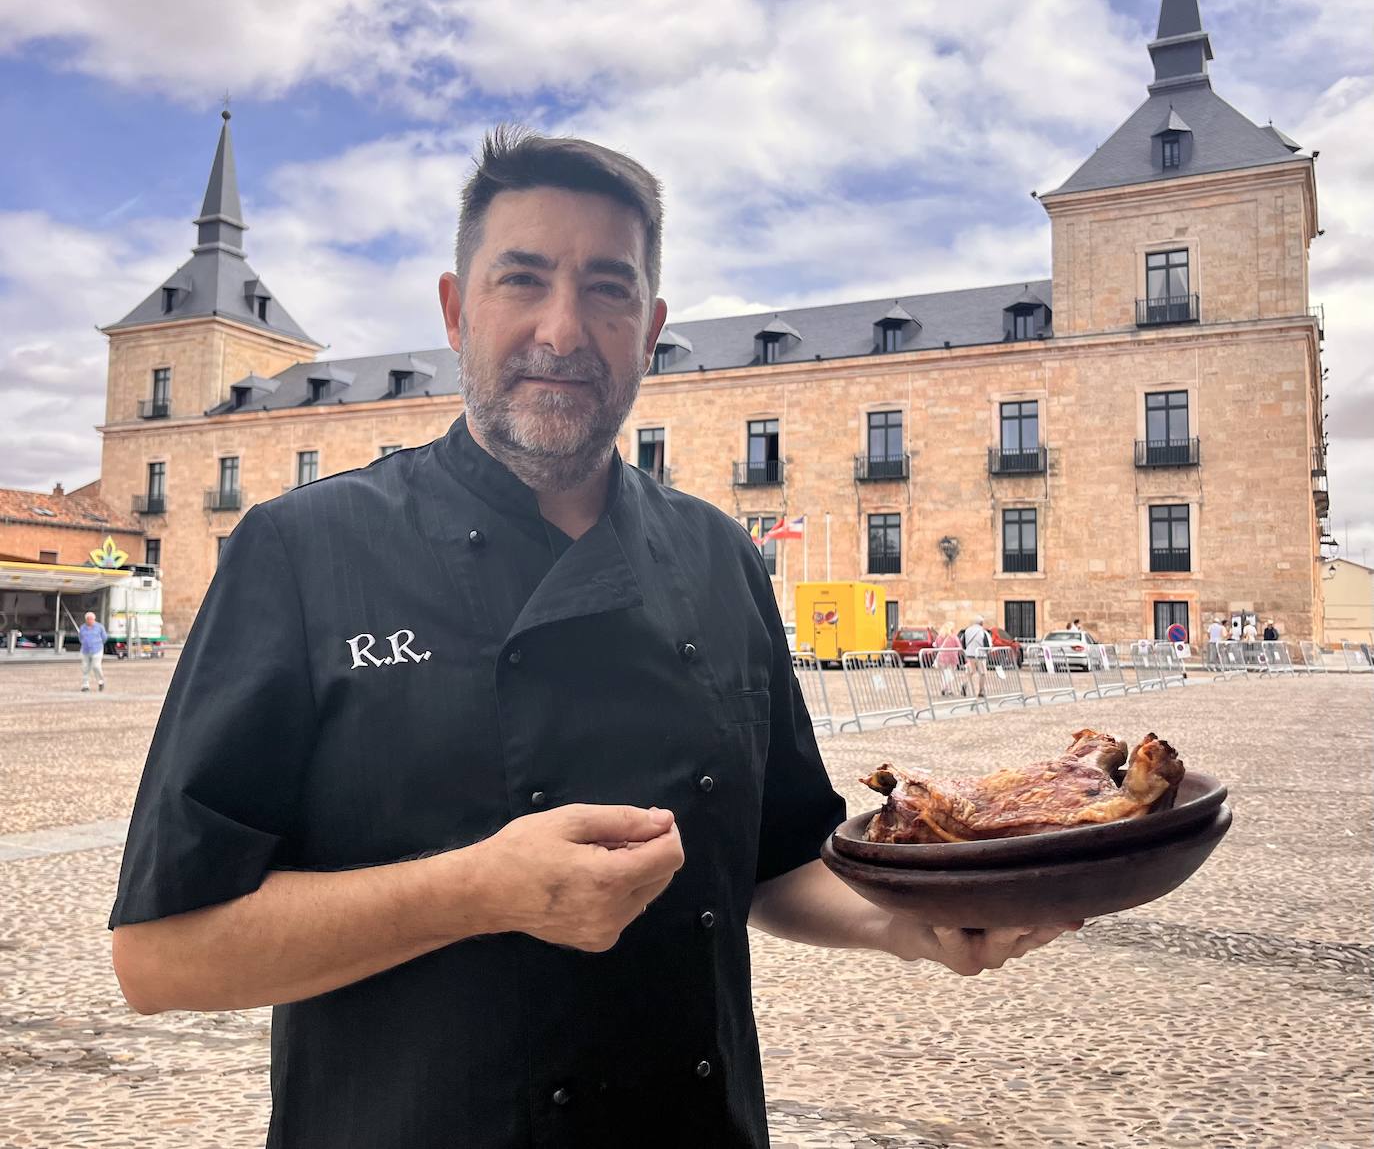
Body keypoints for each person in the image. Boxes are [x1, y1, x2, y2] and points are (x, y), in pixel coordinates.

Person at [108, 129, 1075, 1149]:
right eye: (522, 279)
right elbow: (162, 954)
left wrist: (918, 923)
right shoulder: (302, 552)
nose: (564, 330)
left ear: (649, 326)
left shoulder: (718, 555)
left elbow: (775, 862)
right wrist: (475, 889)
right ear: (455, 310)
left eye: (607, 290)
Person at [961, 613, 990, 697]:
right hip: (980, 655)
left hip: (970, 654)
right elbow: (986, 644)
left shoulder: (967, 630)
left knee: (971, 671)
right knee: (983, 673)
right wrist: (987, 651)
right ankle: (981, 690)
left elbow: (963, 642)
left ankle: (965, 684)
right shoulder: (982, 631)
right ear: (981, 623)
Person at [78, 611, 107, 692]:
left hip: (97, 650)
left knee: (96, 666)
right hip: (85, 650)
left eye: (91, 619)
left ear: (94, 619)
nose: (89, 621)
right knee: (85, 668)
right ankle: (85, 686)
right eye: (88, 619)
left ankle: (101, 682)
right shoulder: (82, 627)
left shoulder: (99, 627)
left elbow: (104, 638)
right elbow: (80, 637)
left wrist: (98, 644)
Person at [934, 619, 961, 695]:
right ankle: (947, 689)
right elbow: (959, 646)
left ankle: (944, 688)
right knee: (950, 674)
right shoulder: (953, 637)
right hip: (952, 658)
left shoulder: (940, 636)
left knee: (944, 674)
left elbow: (936, 645)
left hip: (941, 658)